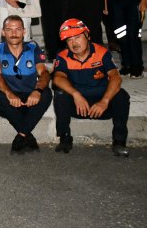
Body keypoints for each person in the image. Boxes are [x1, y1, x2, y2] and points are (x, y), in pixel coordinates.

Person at [52, 19, 131, 156]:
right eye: (69, 40)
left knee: (121, 95)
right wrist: (76, 94)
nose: (74, 43)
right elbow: (58, 78)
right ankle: (65, 138)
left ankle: (119, 142)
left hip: (102, 107)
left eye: (77, 37)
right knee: (60, 94)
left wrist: (105, 101)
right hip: (78, 106)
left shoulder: (102, 52)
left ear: (87, 36)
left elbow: (115, 77)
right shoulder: (63, 56)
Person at [0, 15, 52, 154]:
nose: (14, 33)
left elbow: (44, 73)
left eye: (18, 29)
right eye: (9, 29)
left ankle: (22, 135)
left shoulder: (33, 47)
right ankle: (27, 134)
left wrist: (37, 91)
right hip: (9, 99)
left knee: (47, 93)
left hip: (30, 97)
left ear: (24, 31)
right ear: (3, 32)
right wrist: (9, 94)